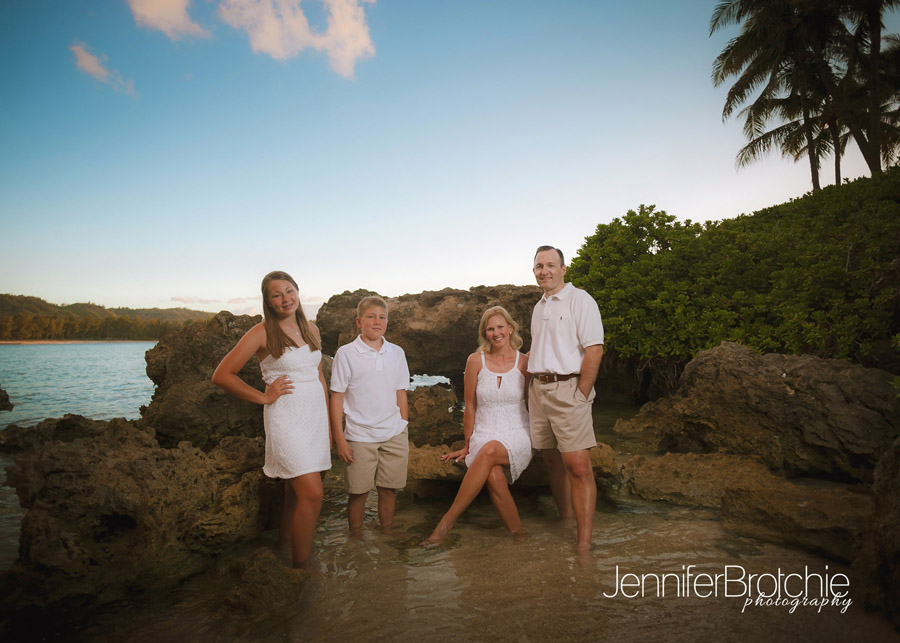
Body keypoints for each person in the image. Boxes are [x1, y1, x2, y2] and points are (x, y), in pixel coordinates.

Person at [211, 270, 331, 570]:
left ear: (298, 291)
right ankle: (301, 570)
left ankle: (283, 548)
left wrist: (329, 425)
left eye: (289, 291)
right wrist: (264, 397)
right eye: (276, 295)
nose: (285, 298)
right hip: (286, 421)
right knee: (313, 495)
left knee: (294, 494)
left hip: (314, 420)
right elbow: (222, 375)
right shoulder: (262, 332)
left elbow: (318, 377)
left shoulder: (312, 330)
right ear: (268, 302)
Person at [422, 306, 533, 546]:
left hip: (518, 432)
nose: (496, 333)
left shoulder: (525, 362)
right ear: (485, 333)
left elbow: (533, 403)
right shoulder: (475, 361)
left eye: (500, 327)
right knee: (493, 474)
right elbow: (470, 406)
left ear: (510, 328)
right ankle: (520, 536)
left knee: (490, 451)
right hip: (484, 434)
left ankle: (446, 523)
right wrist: (468, 444)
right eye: (490, 329)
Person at [528, 245, 604, 552]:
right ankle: (564, 518)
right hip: (538, 391)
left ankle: (583, 544)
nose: (543, 270)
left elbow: (595, 349)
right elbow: (540, 351)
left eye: (549, 265)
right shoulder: (539, 306)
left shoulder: (580, 299)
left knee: (578, 466)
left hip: (568, 390)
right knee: (550, 457)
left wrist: (581, 393)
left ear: (563, 269)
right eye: (538, 266)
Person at [330, 296, 410, 534]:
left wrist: (403, 425)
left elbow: (401, 392)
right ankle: (355, 542)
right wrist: (340, 439)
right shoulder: (346, 354)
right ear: (359, 322)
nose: (378, 321)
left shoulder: (397, 353)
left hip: (394, 433)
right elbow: (337, 397)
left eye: (382, 317)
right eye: (371, 316)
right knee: (358, 493)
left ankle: (385, 536)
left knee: (388, 490)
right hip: (359, 435)